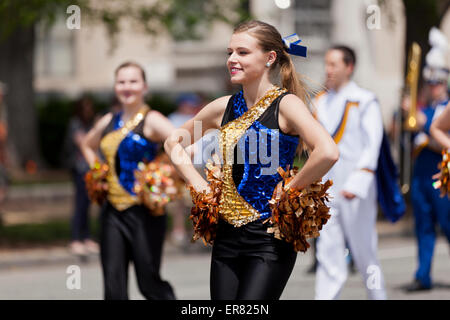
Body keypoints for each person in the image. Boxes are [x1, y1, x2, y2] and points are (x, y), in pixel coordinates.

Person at [164, 20, 338, 300]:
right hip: (226, 237)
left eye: (242, 53)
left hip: (269, 238)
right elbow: (173, 142)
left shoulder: (286, 104)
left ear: (270, 58)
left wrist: (290, 190)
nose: (232, 59)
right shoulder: (223, 106)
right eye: (229, 52)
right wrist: (199, 185)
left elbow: (327, 152)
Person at [80, 61, 176, 300]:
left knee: (148, 282)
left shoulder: (152, 119)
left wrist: (163, 173)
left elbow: (181, 141)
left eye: (133, 81)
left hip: (145, 213)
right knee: (113, 286)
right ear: (115, 87)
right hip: (112, 212)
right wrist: (98, 172)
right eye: (121, 82)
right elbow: (87, 144)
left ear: (144, 86)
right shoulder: (108, 120)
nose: (127, 87)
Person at [313, 45, 387, 300]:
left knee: (365, 250)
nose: (328, 70)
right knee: (327, 250)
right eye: (327, 64)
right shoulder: (320, 101)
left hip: (356, 187)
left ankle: (378, 296)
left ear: (349, 67)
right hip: (327, 188)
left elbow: (373, 143)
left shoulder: (364, 100)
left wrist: (359, 181)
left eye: (334, 64)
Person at [404, 27, 450, 292]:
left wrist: (422, 124)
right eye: (430, 83)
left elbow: (437, 137)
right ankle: (423, 275)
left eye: (438, 82)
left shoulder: (442, 111)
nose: (433, 87)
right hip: (422, 173)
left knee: (447, 224)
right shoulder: (424, 110)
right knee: (423, 226)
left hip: (442, 173)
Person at [63, 95, 99, 256]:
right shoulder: (75, 124)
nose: (88, 111)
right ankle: (76, 239)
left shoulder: (92, 124)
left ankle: (86, 237)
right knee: (80, 205)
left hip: (90, 169)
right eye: (85, 108)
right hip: (80, 169)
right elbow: (84, 142)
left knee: (88, 204)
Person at [167, 93, 202, 246]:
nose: (190, 107)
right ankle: (179, 230)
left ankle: (199, 230)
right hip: (179, 165)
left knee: (197, 200)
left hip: (198, 165)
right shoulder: (173, 119)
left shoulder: (199, 118)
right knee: (180, 202)